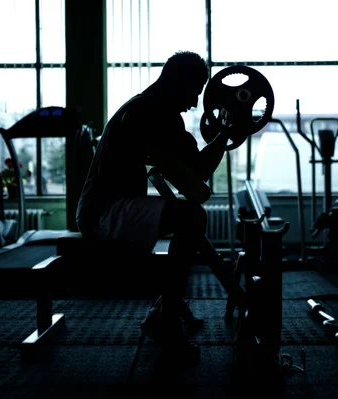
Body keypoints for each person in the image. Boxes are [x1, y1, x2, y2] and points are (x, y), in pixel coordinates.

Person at [76, 51, 232, 366]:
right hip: (103, 210)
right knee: (192, 217)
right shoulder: (150, 113)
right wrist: (227, 133)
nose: (196, 100)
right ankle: (166, 318)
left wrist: (223, 136)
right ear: (178, 82)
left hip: (110, 205)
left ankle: (167, 307)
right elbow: (198, 177)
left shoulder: (154, 110)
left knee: (188, 215)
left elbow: (194, 171)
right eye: (195, 89)